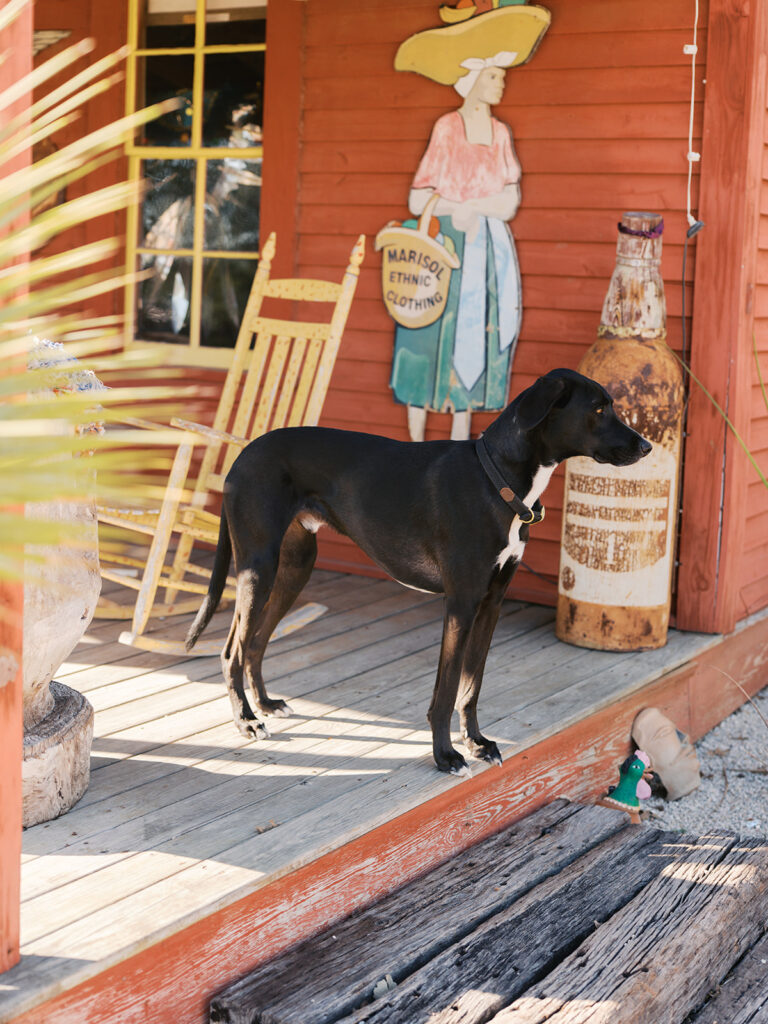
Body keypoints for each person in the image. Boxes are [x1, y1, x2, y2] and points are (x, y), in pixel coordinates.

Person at [390, 54, 523, 441]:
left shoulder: (500, 133)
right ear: (476, 79)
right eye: (495, 76)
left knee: (477, 334)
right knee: (430, 334)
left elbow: (510, 198)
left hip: (487, 251)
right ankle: (414, 445)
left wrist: (476, 208)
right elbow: (419, 199)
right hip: (442, 245)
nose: (501, 83)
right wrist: (456, 208)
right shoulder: (447, 128)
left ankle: (459, 445)